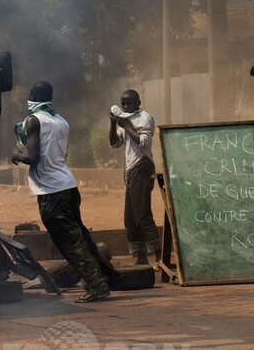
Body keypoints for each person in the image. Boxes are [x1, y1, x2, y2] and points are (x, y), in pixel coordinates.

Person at [12, 80, 117, 303]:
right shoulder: (61, 120)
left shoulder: (33, 120)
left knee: (70, 242)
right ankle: (105, 277)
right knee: (81, 236)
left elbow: (33, 158)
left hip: (51, 191)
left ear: (31, 94)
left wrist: (16, 155)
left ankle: (96, 285)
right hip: (68, 185)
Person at [109, 90, 160, 267]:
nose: (125, 106)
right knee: (130, 217)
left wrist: (125, 124)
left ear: (138, 102)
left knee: (142, 214)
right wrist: (113, 123)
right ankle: (141, 257)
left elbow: (143, 141)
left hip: (142, 166)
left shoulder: (144, 117)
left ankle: (159, 258)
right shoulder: (125, 119)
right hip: (131, 170)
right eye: (123, 103)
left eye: (129, 103)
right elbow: (115, 143)